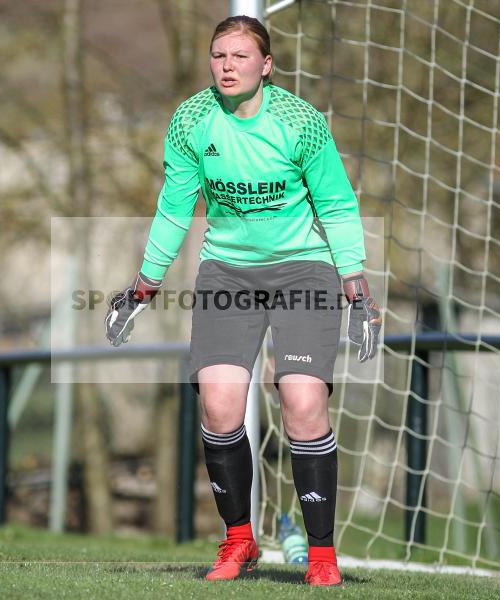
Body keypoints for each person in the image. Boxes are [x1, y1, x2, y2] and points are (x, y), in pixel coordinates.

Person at [104, 15, 381, 587]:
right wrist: (144, 285)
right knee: (220, 403)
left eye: (239, 56)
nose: (227, 66)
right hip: (227, 273)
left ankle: (322, 554)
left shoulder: (300, 123)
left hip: (304, 269)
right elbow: (175, 207)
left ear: (266, 65)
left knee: (302, 402)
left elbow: (336, 203)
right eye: (218, 56)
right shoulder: (191, 121)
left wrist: (356, 288)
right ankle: (238, 539)